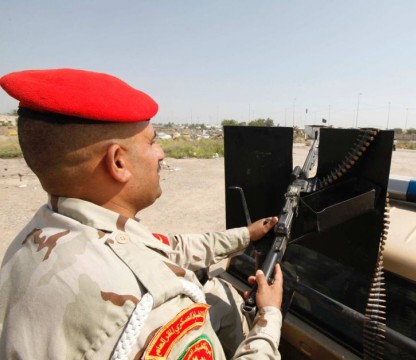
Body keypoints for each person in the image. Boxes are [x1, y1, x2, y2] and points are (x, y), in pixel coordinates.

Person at [0, 68, 283, 359]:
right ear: (118, 162)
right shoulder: (153, 307)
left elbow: (167, 248)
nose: (160, 153)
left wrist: (246, 234)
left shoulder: (40, 234)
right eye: (151, 141)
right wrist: (268, 318)